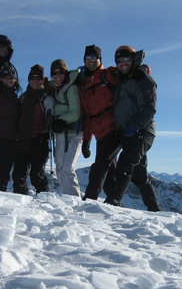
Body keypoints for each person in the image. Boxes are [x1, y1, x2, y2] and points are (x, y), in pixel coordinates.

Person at [105, 45, 160, 212]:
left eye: (126, 59)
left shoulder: (144, 80)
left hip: (142, 131)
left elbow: (149, 108)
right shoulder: (124, 79)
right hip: (128, 133)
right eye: (119, 60)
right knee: (139, 175)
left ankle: (113, 201)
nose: (122, 63)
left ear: (133, 60)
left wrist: (134, 128)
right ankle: (155, 209)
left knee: (125, 164)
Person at [78, 45, 121, 201]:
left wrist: (144, 69)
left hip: (115, 129)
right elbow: (89, 115)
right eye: (88, 58)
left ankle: (89, 200)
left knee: (99, 167)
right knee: (109, 175)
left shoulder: (109, 74)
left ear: (100, 59)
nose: (91, 61)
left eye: (95, 57)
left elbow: (129, 74)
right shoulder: (83, 85)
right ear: (84, 60)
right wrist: (86, 141)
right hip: (99, 134)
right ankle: (118, 208)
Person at [12, 65, 54, 195]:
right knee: (18, 174)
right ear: (29, 79)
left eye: (38, 78)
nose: (35, 81)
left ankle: (45, 200)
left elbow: (51, 118)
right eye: (32, 78)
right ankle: (20, 200)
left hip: (40, 140)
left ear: (42, 80)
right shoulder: (23, 98)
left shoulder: (47, 98)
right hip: (23, 140)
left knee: (37, 175)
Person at [49, 59, 84, 197]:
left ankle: (74, 201)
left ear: (66, 73)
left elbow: (75, 113)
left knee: (67, 168)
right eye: (54, 73)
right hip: (61, 135)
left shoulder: (72, 88)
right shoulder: (56, 89)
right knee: (59, 169)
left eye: (61, 72)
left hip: (74, 134)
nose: (58, 76)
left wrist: (60, 121)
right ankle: (67, 199)